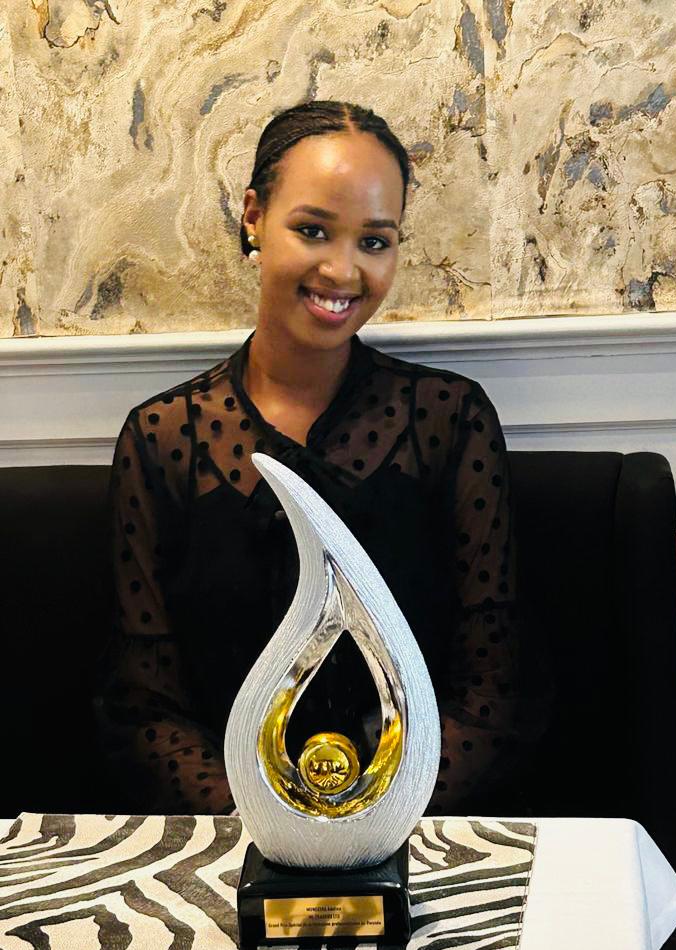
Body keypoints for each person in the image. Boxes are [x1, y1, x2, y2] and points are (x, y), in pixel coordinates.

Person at [95, 100, 544, 816]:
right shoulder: (162, 438)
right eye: (312, 230)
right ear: (254, 217)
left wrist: (366, 820)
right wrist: (269, 827)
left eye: (375, 241)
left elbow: (492, 693)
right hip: (231, 839)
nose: (343, 270)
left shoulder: (448, 419)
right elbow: (145, 708)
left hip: (417, 827)